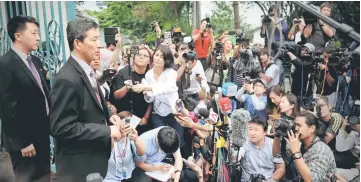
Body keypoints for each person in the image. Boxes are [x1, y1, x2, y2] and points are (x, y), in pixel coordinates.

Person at [50, 18, 123, 181]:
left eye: (99, 39)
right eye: (94, 39)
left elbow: (91, 106)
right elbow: (61, 128)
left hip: (95, 162)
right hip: (79, 167)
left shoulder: (87, 70)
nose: (99, 45)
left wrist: (109, 118)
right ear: (78, 43)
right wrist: (107, 130)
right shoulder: (67, 79)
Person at [0, 15, 50, 182]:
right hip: (24, 141)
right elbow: (7, 107)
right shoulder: (5, 65)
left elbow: (43, 94)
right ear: (18, 36)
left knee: (44, 176)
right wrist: (22, 142)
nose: (38, 38)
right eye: (34, 33)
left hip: (41, 133)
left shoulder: (35, 61)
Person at [130, 45, 188, 157]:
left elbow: (168, 88)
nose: (157, 58)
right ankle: (164, 162)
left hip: (173, 111)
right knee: (161, 140)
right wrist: (146, 94)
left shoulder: (171, 73)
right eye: (156, 55)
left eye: (161, 56)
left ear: (166, 59)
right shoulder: (149, 74)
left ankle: (184, 163)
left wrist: (147, 88)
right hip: (157, 113)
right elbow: (150, 98)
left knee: (178, 139)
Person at [110, 46, 153, 135]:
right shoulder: (123, 72)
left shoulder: (151, 75)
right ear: (133, 57)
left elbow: (153, 99)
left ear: (149, 60)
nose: (142, 57)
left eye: (145, 56)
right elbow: (115, 96)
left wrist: (146, 117)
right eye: (139, 54)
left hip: (144, 119)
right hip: (125, 117)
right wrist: (126, 88)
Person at [286, 112, 336, 181]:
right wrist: (278, 135)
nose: (296, 128)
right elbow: (277, 156)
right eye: (295, 125)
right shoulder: (300, 144)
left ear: (312, 128)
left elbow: (312, 180)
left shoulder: (321, 149)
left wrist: (296, 153)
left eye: (299, 125)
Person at [271, 93, 300, 180]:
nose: (280, 104)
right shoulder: (280, 120)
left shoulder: (299, 121)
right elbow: (275, 152)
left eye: (283, 102)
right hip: (281, 158)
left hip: (296, 157)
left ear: (292, 105)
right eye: (280, 102)